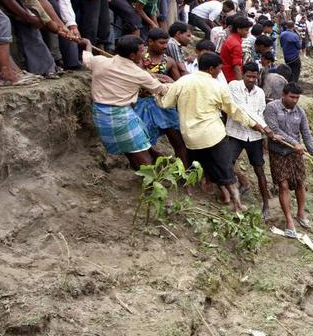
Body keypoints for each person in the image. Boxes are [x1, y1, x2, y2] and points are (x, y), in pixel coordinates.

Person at [156, 52, 278, 212]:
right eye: (219, 69)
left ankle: (206, 192)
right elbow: (234, 111)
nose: (220, 72)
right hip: (214, 136)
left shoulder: (183, 82)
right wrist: (253, 124)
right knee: (226, 170)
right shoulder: (218, 86)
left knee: (204, 166)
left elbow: (165, 103)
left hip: (191, 138)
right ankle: (237, 204)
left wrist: (159, 91)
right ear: (211, 69)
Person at [82, 36, 168, 169]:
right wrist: (172, 83)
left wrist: (87, 44)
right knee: (140, 153)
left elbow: (87, 59)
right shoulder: (139, 74)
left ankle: (148, 171)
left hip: (100, 114)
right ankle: (152, 180)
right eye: (142, 51)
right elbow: (160, 90)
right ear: (132, 55)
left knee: (131, 150)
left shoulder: (99, 61)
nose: (144, 54)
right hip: (121, 116)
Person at [263, 82, 313, 237]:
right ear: (283, 95)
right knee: (283, 185)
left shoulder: (300, 112)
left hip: (295, 153)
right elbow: (275, 130)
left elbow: (306, 134)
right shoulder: (272, 108)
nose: (294, 100)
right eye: (292, 97)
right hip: (278, 152)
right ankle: (289, 221)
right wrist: (295, 143)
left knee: (300, 182)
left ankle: (300, 214)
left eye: (297, 98)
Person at [132, 28, 188, 166]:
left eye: (166, 43)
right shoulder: (137, 58)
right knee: (141, 141)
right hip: (141, 105)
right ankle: (153, 163)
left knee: (178, 141)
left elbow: (179, 85)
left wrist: (169, 81)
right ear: (150, 42)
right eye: (161, 43)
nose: (165, 46)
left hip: (164, 106)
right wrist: (154, 77)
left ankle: (185, 172)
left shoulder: (169, 61)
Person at [227, 62, 272, 219]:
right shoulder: (234, 86)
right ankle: (235, 198)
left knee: (259, 170)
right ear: (242, 74)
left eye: (254, 76)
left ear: (258, 76)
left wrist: (264, 132)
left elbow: (260, 112)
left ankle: (266, 204)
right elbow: (242, 108)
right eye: (248, 76)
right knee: (227, 163)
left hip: (254, 137)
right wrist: (263, 126)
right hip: (236, 133)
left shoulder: (260, 93)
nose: (252, 79)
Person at [108, 0, 174, 35]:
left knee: (143, 21)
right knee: (135, 17)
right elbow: (138, 9)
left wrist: (157, 29)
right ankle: (136, 44)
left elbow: (153, 15)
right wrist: (152, 24)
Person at [220, 15, 252, 82]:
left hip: (224, 74)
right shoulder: (236, 44)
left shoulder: (231, 38)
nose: (248, 32)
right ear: (238, 30)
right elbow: (237, 67)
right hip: (230, 78)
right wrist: (240, 84)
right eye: (246, 30)